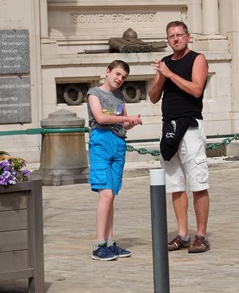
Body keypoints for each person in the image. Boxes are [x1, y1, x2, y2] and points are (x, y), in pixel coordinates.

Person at [149, 21, 211, 253]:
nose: (175, 39)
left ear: (188, 36)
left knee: (198, 182)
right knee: (175, 184)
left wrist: (170, 74)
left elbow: (196, 89)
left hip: (191, 127)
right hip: (170, 127)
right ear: (167, 40)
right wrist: (161, 76)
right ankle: (183, 234)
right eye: (171, 36)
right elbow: (154, 97)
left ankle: (201, 235)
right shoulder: (165, 63)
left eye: (179, 35)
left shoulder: (198, 59)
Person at [87, 60, 142, 261]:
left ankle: (110, 243)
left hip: (118, 144)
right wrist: (125, 119)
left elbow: (124, 125)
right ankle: (99, 245)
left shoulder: (119, 96)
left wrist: (132, 123)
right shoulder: (94, 93)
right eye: (117, 74)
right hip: (101, 141)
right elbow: (100, 118)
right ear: (107, 72)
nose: (119, 79)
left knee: (112, 195)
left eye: (123, 77)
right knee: (106, 194)